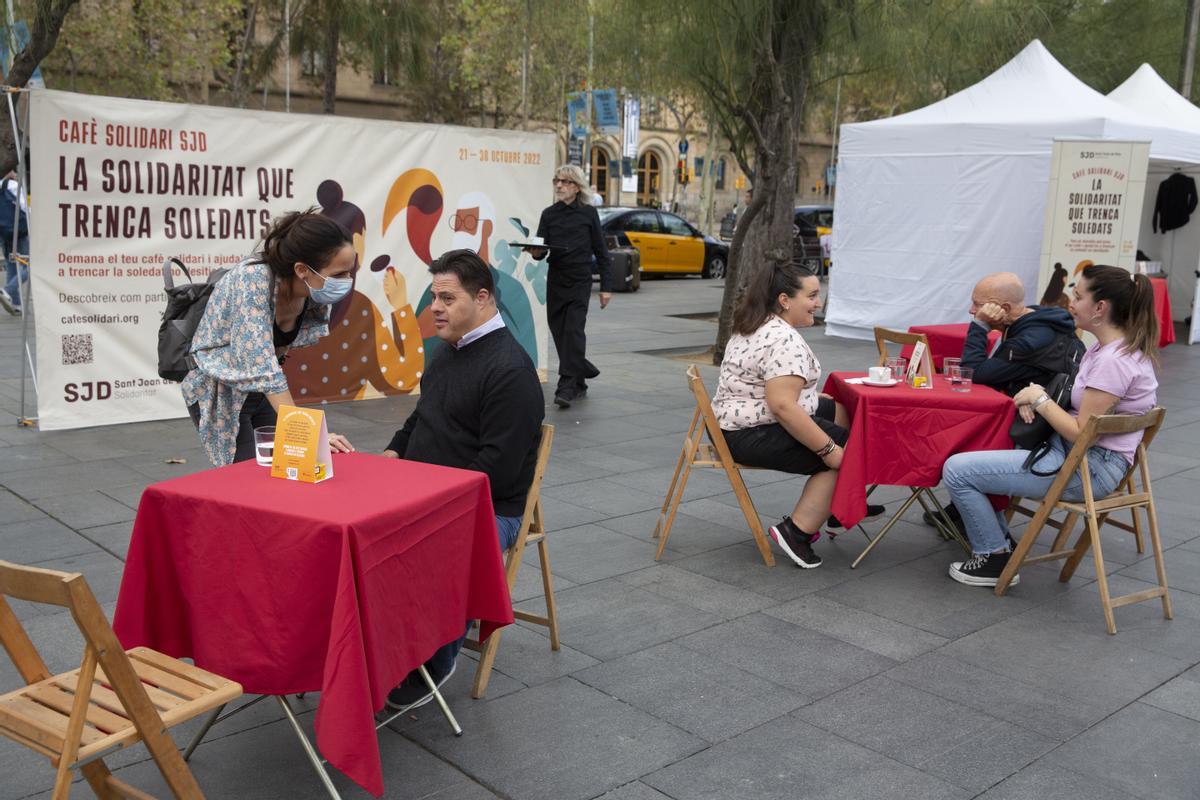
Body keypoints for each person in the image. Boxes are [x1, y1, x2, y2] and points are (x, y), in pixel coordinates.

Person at [382, 248, 544, 710]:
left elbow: (496, 469)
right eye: (434, 297)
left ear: (484, 299)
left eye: (448, 298)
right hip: (427, 492)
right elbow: (421, 418)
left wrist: (430, 503)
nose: (436, 307)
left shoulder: (509, 370)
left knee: (433, 546)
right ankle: (386, 642)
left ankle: (434, 656)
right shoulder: (449, 351)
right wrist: (393, 452)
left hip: (487, 508)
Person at [944, 265, 1159, 587]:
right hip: (1082, 458)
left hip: (1088, 469)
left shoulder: (1112, 361)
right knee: (986, 446)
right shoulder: (1108, 349)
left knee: (958, 470)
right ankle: (998, 544)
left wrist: (1041, 400)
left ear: (1100, 307)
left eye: (1078, 296)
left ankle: (993, 556)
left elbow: (1081, 432)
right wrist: (1039, 398)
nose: (1070, 304)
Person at [712, 262, 881, 569]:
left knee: (838, 410)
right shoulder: (783, 339)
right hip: (749, 432)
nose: (819, 303)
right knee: (852, 452)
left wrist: (811, 398)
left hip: (731, 422)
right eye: (813, 296)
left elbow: (765, 386)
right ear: (785, 300)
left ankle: (835, 502)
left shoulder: (755, 322)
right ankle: (797, 532)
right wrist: (829, 451)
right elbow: (783, 407)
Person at [184, 210, 356, 466]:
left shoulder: (312, 291)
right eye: (338, 275)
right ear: (302, 270)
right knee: (248, 476)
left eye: (349, 272)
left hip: (262, 390)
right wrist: (309, 432)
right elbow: (263, 368)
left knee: (289, 465)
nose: (347, 281)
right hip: (223, 393)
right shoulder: (251, 280)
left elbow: (270, 370)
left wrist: (305, 435)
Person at [925, 272, 1084, 531]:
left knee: (956, 434)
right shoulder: (1031, 318)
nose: (972, 310)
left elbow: (974, 372)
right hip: (1034, 413)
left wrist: (980, 326)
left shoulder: (1032, 338)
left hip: (1041, 432)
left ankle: (976, 518)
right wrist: (1022, 392)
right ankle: (962, 510)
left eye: (978, 304)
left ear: (1005, 308)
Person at [528, 164, 612, 408]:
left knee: (573, 332)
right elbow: (540, 251)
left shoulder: (588, 214)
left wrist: (606, 287)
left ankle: (565, 386)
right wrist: (534, 253)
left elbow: (602, 252)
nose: (559, 185)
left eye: (564, 182)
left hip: (580, 281)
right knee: (559, 333)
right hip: (556, 280)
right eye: (557, 181)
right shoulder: (548, 214)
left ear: (576, 187)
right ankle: (581, 376)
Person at [0, 172, 29, 315]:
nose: (17, 173)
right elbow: (23, 208)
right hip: (20, 231)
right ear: (9, 172)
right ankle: (7, 290)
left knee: (12, 263)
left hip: (4, 233)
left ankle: (16, 304)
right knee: (30, 265)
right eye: (14, 171)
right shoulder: (13, 185)